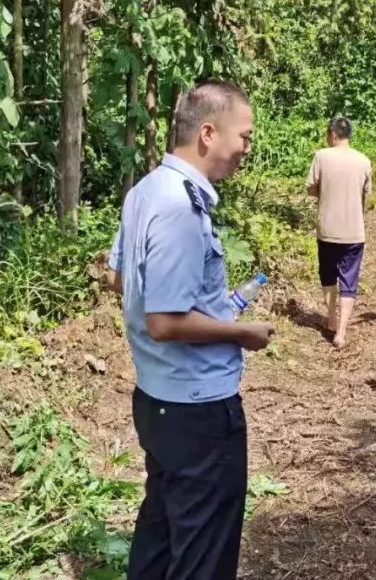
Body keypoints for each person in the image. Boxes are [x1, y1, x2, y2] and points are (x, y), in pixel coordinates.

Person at [107, 80, 275, 580]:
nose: (247, 147)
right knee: (204, 552)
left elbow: (120, 277)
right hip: (197, 412)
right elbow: (164, 320)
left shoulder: (146, 190)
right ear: (208, 133)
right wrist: (240, 332)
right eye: (244, 136)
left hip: (158, 401)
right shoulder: (181, 206)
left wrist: (207, 305)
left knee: (160, 535)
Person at [305, 116, 372, 348]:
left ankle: (331, 319)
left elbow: (311, 188)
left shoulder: (321, 157)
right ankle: (341, 332)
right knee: (349, 280)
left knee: (328, 275)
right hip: (354, 230)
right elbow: (365, 192)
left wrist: (326, 193)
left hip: (327, 229)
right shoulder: (363, 160)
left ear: (332, 135)